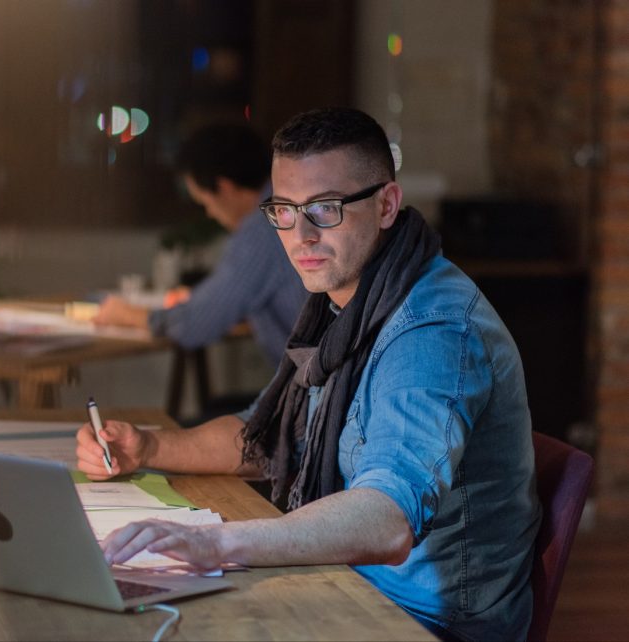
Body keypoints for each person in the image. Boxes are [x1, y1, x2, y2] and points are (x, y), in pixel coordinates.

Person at [77, 107, 541, 641]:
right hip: (350, 586)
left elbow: (388, 518)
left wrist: (219, 544)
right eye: (284, 210)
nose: (301, 236)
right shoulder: (347, 305)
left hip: (421, 622)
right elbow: (267, 435)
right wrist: (147, 448)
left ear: (386, 204)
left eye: (325, 208)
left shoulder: (431, 332)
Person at [93, 123, 306, 369]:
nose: (210, 214)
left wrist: (128, 315)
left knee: (212, 410)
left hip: (317, 394)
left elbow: (199, 322)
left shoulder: (262, 227)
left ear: (225, 188)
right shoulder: (287, 208)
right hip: (317, 386)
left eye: (205, 202)